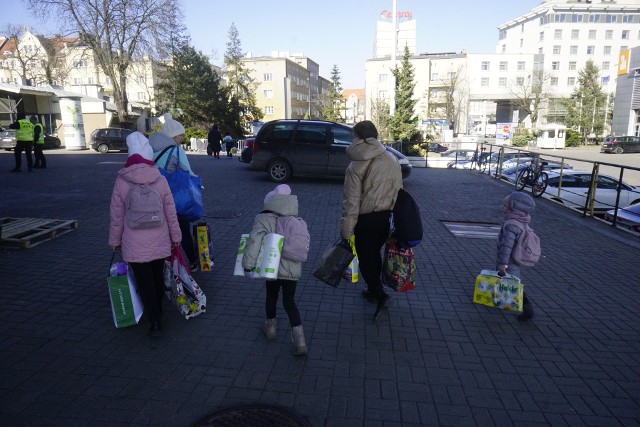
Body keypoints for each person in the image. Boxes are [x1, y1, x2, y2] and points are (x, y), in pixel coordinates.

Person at [108, 132, 182, 337]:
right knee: (157, 277)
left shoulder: (122, 180)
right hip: (160, 239)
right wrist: (176, 237)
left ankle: (154, 319)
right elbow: (170, 212)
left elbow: (116, 215)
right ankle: (158, 311)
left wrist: (114, 240)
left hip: (134, 242)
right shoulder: (159, 178)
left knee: (144, 281)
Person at [341, 120, 402, 319]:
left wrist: (346, 229)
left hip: (366, 220)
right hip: (386, 218)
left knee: (366, 259)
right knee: (374, 253)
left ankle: (380, 295)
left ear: (358, 138)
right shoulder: (391, 158)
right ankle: (372, 290)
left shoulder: (356, 164)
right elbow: (398, 190)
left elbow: (352, 200)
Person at [242, 184, 308, 356]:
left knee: (271, 296)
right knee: (289, 302)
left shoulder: (263, 219)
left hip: (271, 268)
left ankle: (270, 328)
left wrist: (248, 265)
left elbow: (254, 243)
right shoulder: (295, 219)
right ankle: (300, 340)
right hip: (292, 269)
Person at [149, 112, 200, 272]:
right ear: (173, 136)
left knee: (160, 230)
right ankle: (192, 261)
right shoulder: (177, 151)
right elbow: (188, 172)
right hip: (174, 197)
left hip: (154, 197)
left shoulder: (150, 149)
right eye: (180, 136)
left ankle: (164, 262)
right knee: (181, 229)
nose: (181, 139)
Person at [497, 191, 536, 321]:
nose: (502, 208)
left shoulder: (511, 225)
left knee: (514, 283)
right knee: (511, 282)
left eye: (505, 206)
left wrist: (503, 263)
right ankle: (502, 300)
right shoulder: (521, 220)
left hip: (509, 261)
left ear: (514, 208)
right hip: (514, 259)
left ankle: (527, 308)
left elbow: (507, 246)